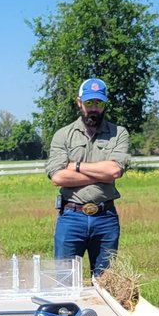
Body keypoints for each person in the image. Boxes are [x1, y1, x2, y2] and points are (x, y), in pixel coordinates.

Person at [46, 76, 130, 278]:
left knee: (107, 283)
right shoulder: (63, 135)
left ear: (105, 104)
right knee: (65, 281)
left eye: (98, 103)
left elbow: (114, 171)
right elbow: (57, 177)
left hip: (105, 218)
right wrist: (101, 175)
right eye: (89, 102)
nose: (93, 108)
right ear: (79, 102)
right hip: (71, 217)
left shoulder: (119, 134)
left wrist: (74, 166)